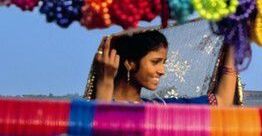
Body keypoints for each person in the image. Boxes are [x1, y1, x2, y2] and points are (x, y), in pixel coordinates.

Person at [92, 30, 239, 106]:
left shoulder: (162, 109)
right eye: (155, 62)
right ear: (130, 63)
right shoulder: (102, 105)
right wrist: (105, 82)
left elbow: (221, 102)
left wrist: (235, 41)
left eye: (164, 62)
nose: (162, 71)